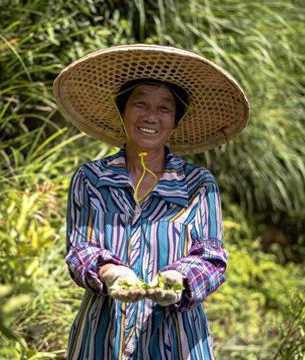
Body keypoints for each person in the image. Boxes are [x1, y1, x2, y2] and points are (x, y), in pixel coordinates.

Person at [53, 44, 250, 360]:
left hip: (177, 342)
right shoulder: (91, 179)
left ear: (175, 121)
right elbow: (80, 249)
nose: (151, 117)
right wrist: (110, 273)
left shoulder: (198, 185)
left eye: (164, 108)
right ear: (123, 110)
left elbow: (212, 257)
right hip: (102, 341)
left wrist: (179, 279)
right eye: (140, 104)